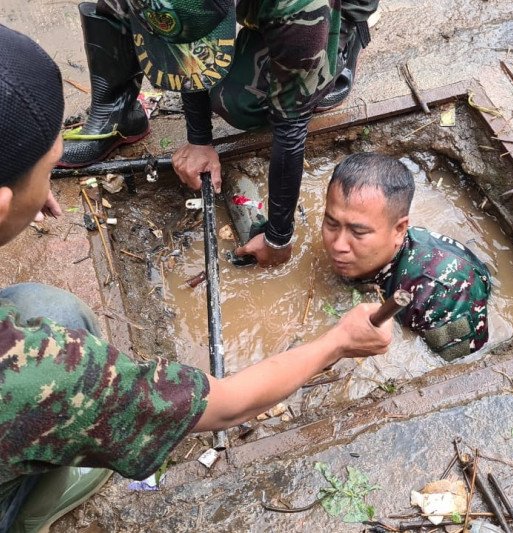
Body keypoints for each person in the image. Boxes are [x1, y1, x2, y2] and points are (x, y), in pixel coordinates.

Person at [0, 25, 392, 532]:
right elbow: (225, 407)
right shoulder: (40, 375)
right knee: (76, 403)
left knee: (54, 311)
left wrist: (22, 193)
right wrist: (339, 338)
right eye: (48, 168)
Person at [58, 0, 379, 268]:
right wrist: (199, 138)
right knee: (113, 6)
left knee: (238, 102)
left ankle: (341, 45)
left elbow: (291, 125)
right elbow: (182, 49)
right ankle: (118, 113)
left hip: (315, 15)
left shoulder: (298, 6)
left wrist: (279, 237)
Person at [321, 153, 493, 361]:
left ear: (399, 229)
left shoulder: (443, 295)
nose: (338, 245)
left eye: (358, 233)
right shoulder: (360, 243)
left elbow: (458, 368)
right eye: (331, 224)